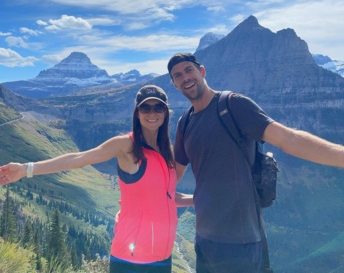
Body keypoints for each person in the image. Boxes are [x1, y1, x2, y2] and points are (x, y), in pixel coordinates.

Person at [167, 52, 344, 273]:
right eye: (178, 75)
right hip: (204, 240)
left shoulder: (232, 105)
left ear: (202, 71)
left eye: (188, 70)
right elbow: (172, 176)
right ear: (174, 84)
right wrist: (137, 197)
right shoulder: (185, 122)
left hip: (242, 243)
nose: (185, 78)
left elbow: (287, 139)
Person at [0, 85, 193, 273]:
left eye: (158, 107)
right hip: (131, 259)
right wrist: (26, 169)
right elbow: (79, 158)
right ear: (136, 112)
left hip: (163, 258)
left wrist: (197, 199)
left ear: (166, 112)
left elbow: (167, 197)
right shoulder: (126, 144)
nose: (152, 113)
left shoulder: (167, 153)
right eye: (145, 107)